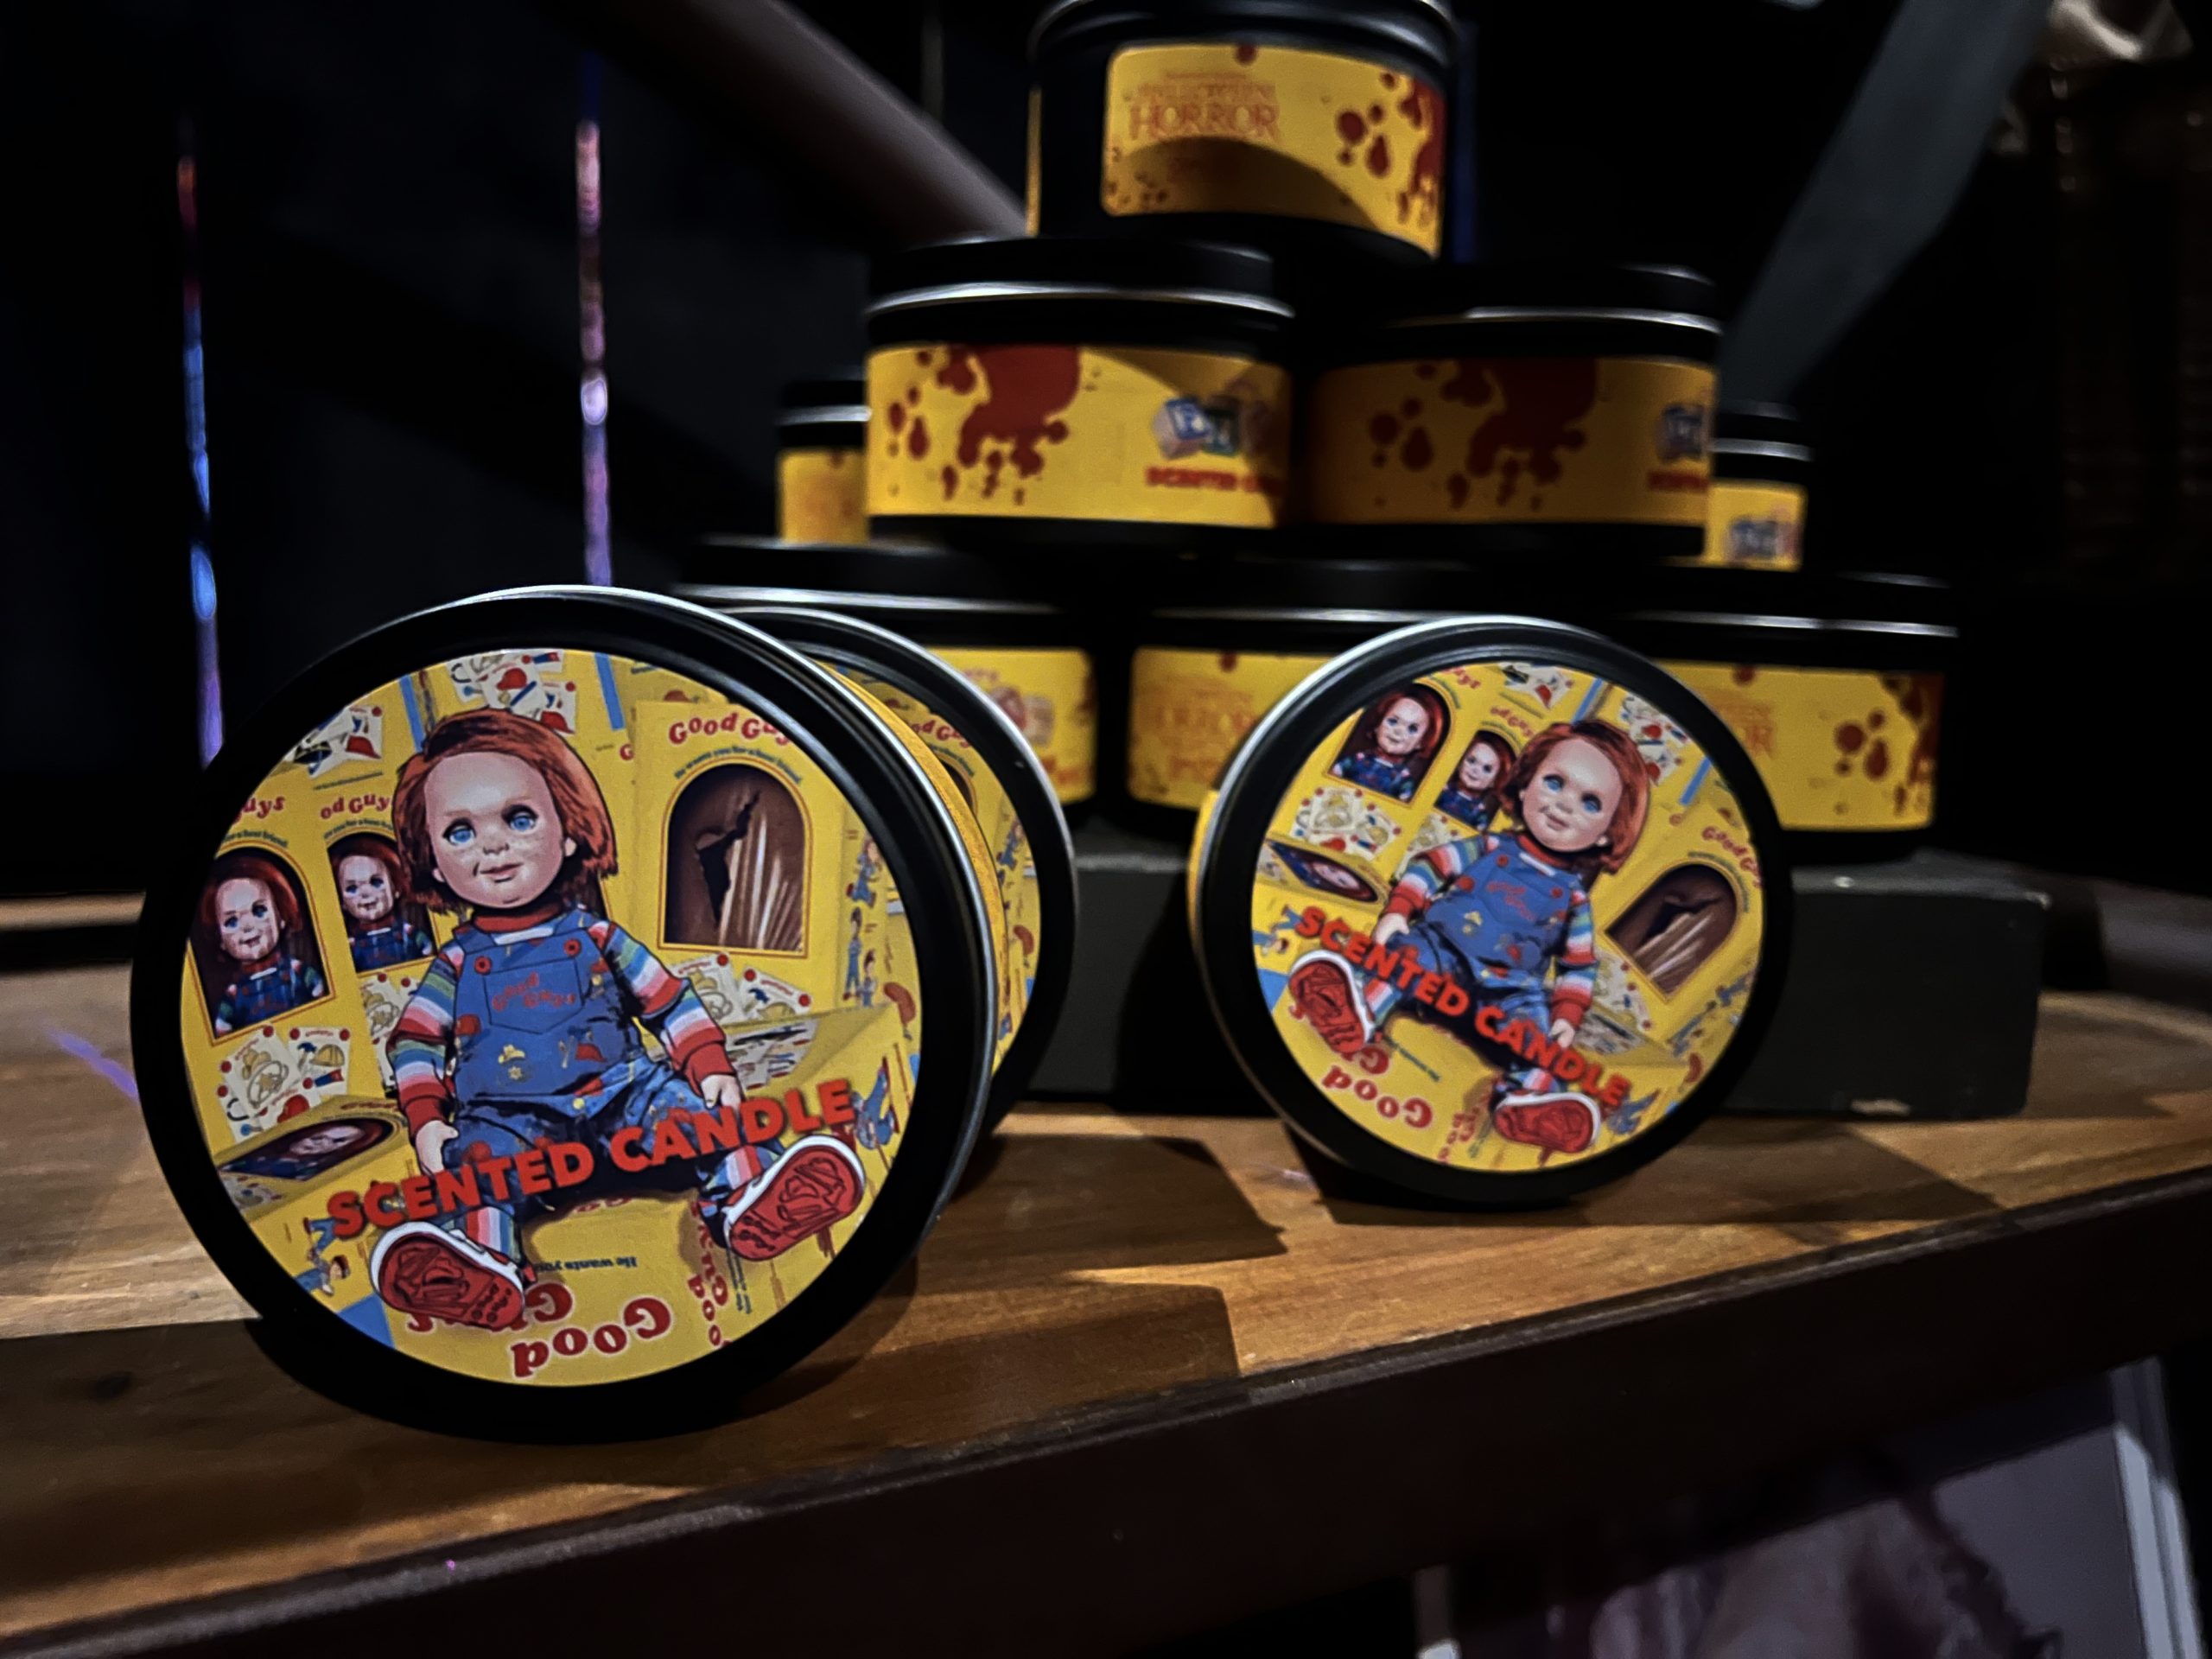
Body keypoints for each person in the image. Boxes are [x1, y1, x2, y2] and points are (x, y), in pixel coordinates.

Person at [369, 708, 864, 1332]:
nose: (493, 845)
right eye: (460, 831)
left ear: (568, 832)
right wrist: (426, 1119)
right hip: (509, 1119)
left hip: (626, 1096)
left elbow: (668, 1001)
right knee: (478, 1167)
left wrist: (708, 1066)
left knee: (701, 1120)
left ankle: (753, 1199)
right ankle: (480, 1264)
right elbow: (415, 1041)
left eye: (518, 819)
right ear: (434, 863)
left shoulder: (599, 936)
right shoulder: (457, 962)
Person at [1290, 721, 1650, 1156]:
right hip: (1441, 952)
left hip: (1509, 991)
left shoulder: (1574, 899)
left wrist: (1566, 1017)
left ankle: (1528, 1103)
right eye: (1555, 782)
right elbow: (1431, 866)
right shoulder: (1488, 847)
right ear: (1525, 784)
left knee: (1538, 1040)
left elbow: (1579, 963)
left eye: (1590, 803)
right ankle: (1357, 1013)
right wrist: (1399, 911)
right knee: (1406, 959)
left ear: (1610, 831)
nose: (1563, 805)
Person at [202, 855, 327, 1033]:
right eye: (232, 922)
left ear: (281, 915)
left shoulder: (297, 970)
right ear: (220, 939)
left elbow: (322, 995)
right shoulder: (234, 994)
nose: (247, 926)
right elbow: (222, 1029)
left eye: (259, 911)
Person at [330, 835, 434, 970]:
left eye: (376, 882)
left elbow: (427, 949)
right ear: (341, 902)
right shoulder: (352, 945)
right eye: (352, 888)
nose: (365, 893)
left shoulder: (408, 932)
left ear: (396, 888)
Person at [1329, 686, 1445, 802]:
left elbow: (1404, 805)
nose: (1398, 731)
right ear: (1378, 725)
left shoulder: (1403, 779)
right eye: (1393, 721)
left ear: (1422, 742)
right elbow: (1333, 776)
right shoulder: (1358, 760)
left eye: (1412, 729)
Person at [1433, 731, 1516, 829]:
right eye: (1471, 761)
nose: (1475, 770)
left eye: (1487, 769)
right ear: (1461, 761)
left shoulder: (1479, 812)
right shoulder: (1441, 791)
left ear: (1495, 781)